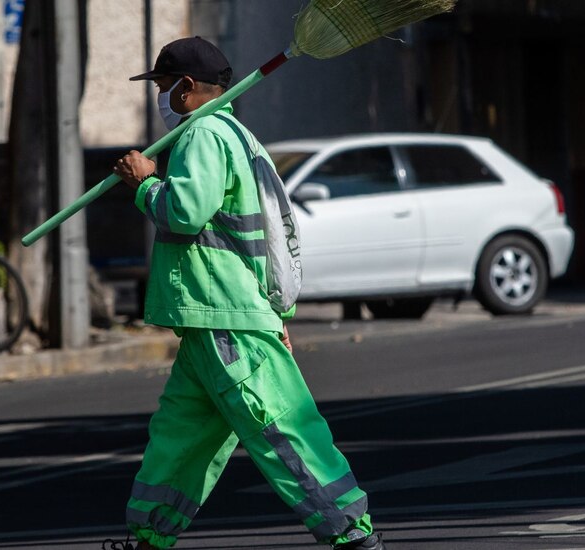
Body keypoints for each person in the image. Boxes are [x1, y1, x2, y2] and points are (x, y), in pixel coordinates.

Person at [108, 37, 383, 550]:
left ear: (187, 88)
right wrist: (277, 309)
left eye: (164, 85)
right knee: (180, 438)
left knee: (279, 428)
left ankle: (351, 533)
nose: (161, 95)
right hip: (215, 313)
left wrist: (144, 183)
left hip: (223, 312)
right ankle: (148, 536)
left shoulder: (204, 134)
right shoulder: (235, 133)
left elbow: (184, 212)